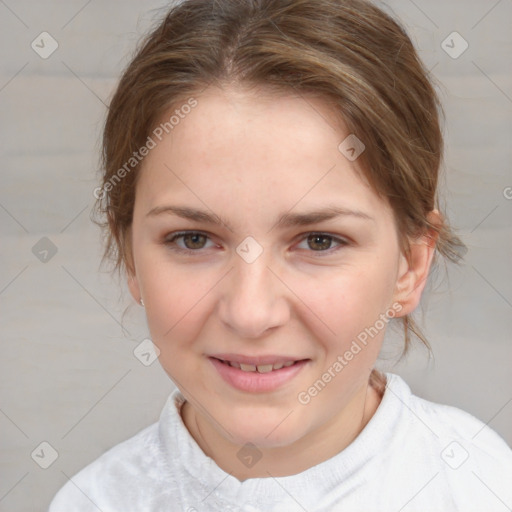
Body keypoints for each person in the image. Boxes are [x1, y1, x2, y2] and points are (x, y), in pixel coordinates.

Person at [48, 0, 512, 510]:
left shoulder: (483, 486)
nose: (250, 313)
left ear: (411, 264)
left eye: (319, 241)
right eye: (193, 239)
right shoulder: (90, 501)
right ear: (129, 256)